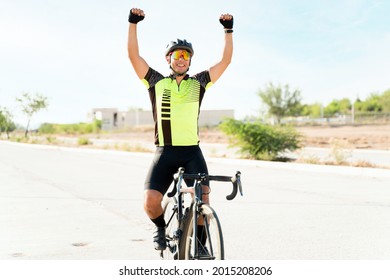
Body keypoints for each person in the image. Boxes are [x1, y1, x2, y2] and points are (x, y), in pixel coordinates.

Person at [127, 7, 233, 253]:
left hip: (191, 152)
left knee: (203, 201)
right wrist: (133, 23)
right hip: (164, 152)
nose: (182, 58)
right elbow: (133, 56)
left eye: (186, 55)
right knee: (151, 202)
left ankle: (200, 246)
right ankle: (161, 229)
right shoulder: (156, 82)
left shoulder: (199, 83)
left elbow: (225, 61)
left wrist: (228, 31)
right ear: (169, 59)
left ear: (190, 60)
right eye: (177, 54)